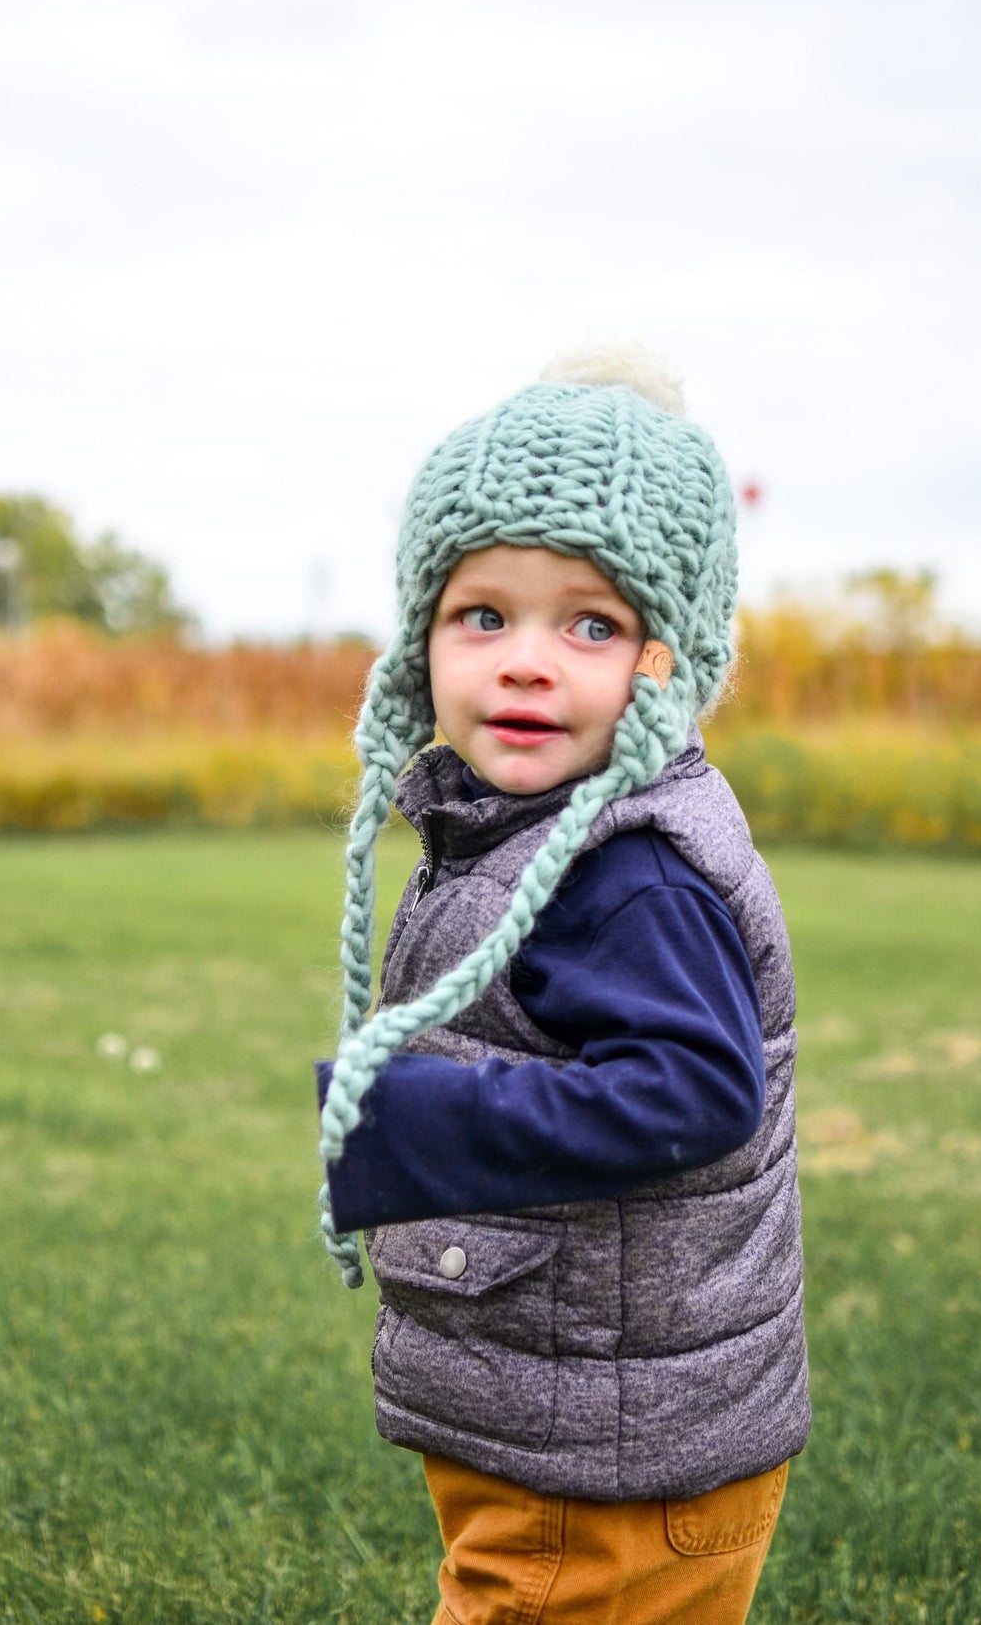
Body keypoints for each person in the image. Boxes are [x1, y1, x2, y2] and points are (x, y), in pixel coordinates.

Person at [315, 342, 808, 1625]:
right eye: (484, 614)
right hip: (577, 1415)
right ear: (420, 639)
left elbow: (697, 1091)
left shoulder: (623, 871)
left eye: (591, 623)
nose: (528, 660)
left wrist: (420, 1123)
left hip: (606, 1464)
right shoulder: (521, 824)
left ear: (669, 661)